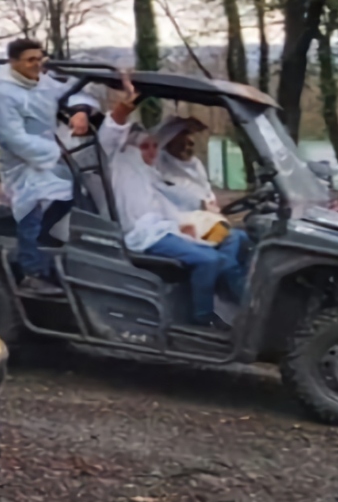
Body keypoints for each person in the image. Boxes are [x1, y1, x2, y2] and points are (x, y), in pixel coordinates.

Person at [101, 73, 248, 328]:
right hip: (140, 235)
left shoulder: (152, 172)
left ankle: (241, 308)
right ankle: (203, 319)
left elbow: (167, 203)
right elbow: (111, 134)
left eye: (153, 147)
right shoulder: (121, 162)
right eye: (145, 147)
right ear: (130, 147)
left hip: (163, 229)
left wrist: (182, 223)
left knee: (234, 244)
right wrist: (125, 106)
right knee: (211, 260)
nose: (152, 152)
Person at [0, 38, 92, 296]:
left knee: (75, 198)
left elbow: (73, 92)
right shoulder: (3, 93)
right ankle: (31, 273)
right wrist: (53, 153)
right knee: (31, 205)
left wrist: (80, 111)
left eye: (39, 59)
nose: (37, 65)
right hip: (21, 162)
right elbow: (10, 137)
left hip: (50, 160)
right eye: (30, 60)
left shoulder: (43, 83)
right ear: (13, 62)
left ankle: (60, 261)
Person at [152, 116, 217, 212]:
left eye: (190, 144)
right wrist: (181, 124)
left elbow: (205, 188)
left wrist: (211, 198)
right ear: (168, 144)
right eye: (181, 145)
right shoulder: (160, 163)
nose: (186, 148)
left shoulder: (196, 164)